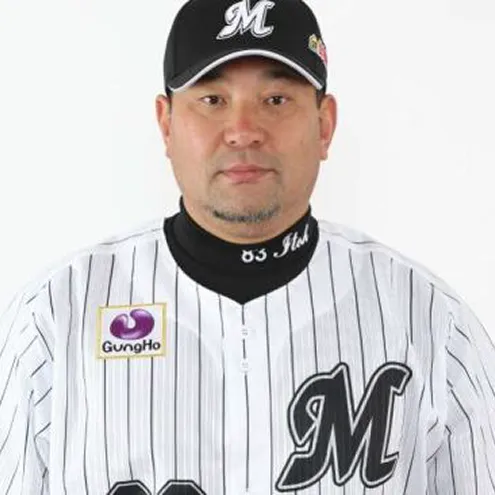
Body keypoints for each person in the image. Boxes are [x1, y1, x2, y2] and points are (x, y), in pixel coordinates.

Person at [1, 0, 494, 493]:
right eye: (212, 99)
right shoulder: (56, 317)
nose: (242, 131)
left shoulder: (431, 322)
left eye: (275, 99)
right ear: (166, 124)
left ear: (324, 125)